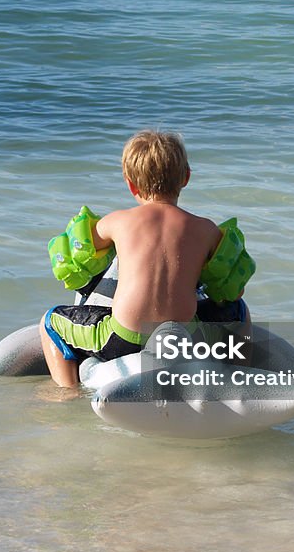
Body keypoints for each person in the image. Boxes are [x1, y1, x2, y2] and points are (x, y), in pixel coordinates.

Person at [40, 130, 255, 387]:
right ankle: (242, 378)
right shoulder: (206, 229)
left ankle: (66, 392)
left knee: (49, 322)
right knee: (240, 312)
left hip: (123, 339)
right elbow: (233, 291)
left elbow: (79, 250)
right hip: (186, 337)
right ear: (186, 177)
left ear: (130, 184)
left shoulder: (118, 222)